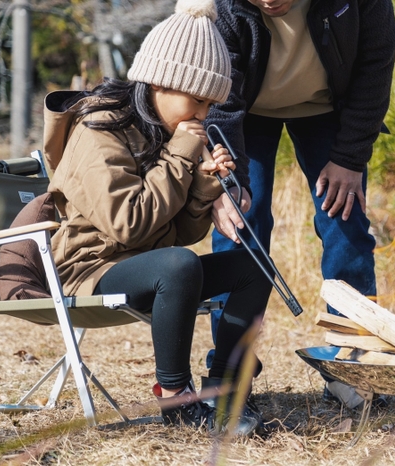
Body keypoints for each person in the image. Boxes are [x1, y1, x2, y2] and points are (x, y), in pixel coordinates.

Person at [41, 0, 272, 433]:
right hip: (88, 268)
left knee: (252, 268)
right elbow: (129, 223)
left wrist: (203, 185)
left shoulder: (163, 132)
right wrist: (181, 155)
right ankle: (177, 402)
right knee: (179, 266)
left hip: (145, 263)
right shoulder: (100, 129)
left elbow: (178, 233)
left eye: (210, 103)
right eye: (196, 99)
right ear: (160, 83)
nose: (202, 115)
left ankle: (223, 389)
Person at [204, 0, 395, 409]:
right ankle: (229, 371)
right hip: (245, 112)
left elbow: (375, 64)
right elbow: (221, 97)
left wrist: (349, 157)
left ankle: (353, 366)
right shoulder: (221, 6)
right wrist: (228, 181)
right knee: (242, 227)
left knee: (346, 227)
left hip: (329, 108)